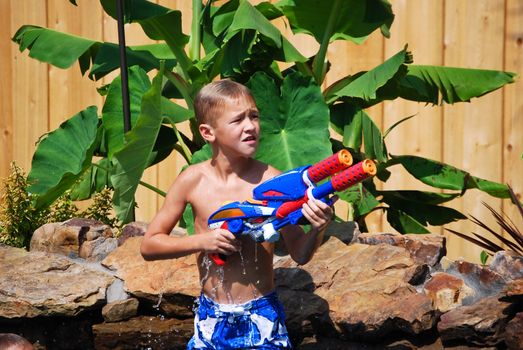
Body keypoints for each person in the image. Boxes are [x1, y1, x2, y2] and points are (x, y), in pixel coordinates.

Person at [140, 79, 334, 349]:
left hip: (262, 315)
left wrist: (318, 227)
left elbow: (300, 254)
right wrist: (203, 241)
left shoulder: (271, 182)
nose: (250, 126)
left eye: (254, 116)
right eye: (238, 120)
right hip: (211, 316)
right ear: (208, 132)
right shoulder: (192, 180)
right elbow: (149, 245)